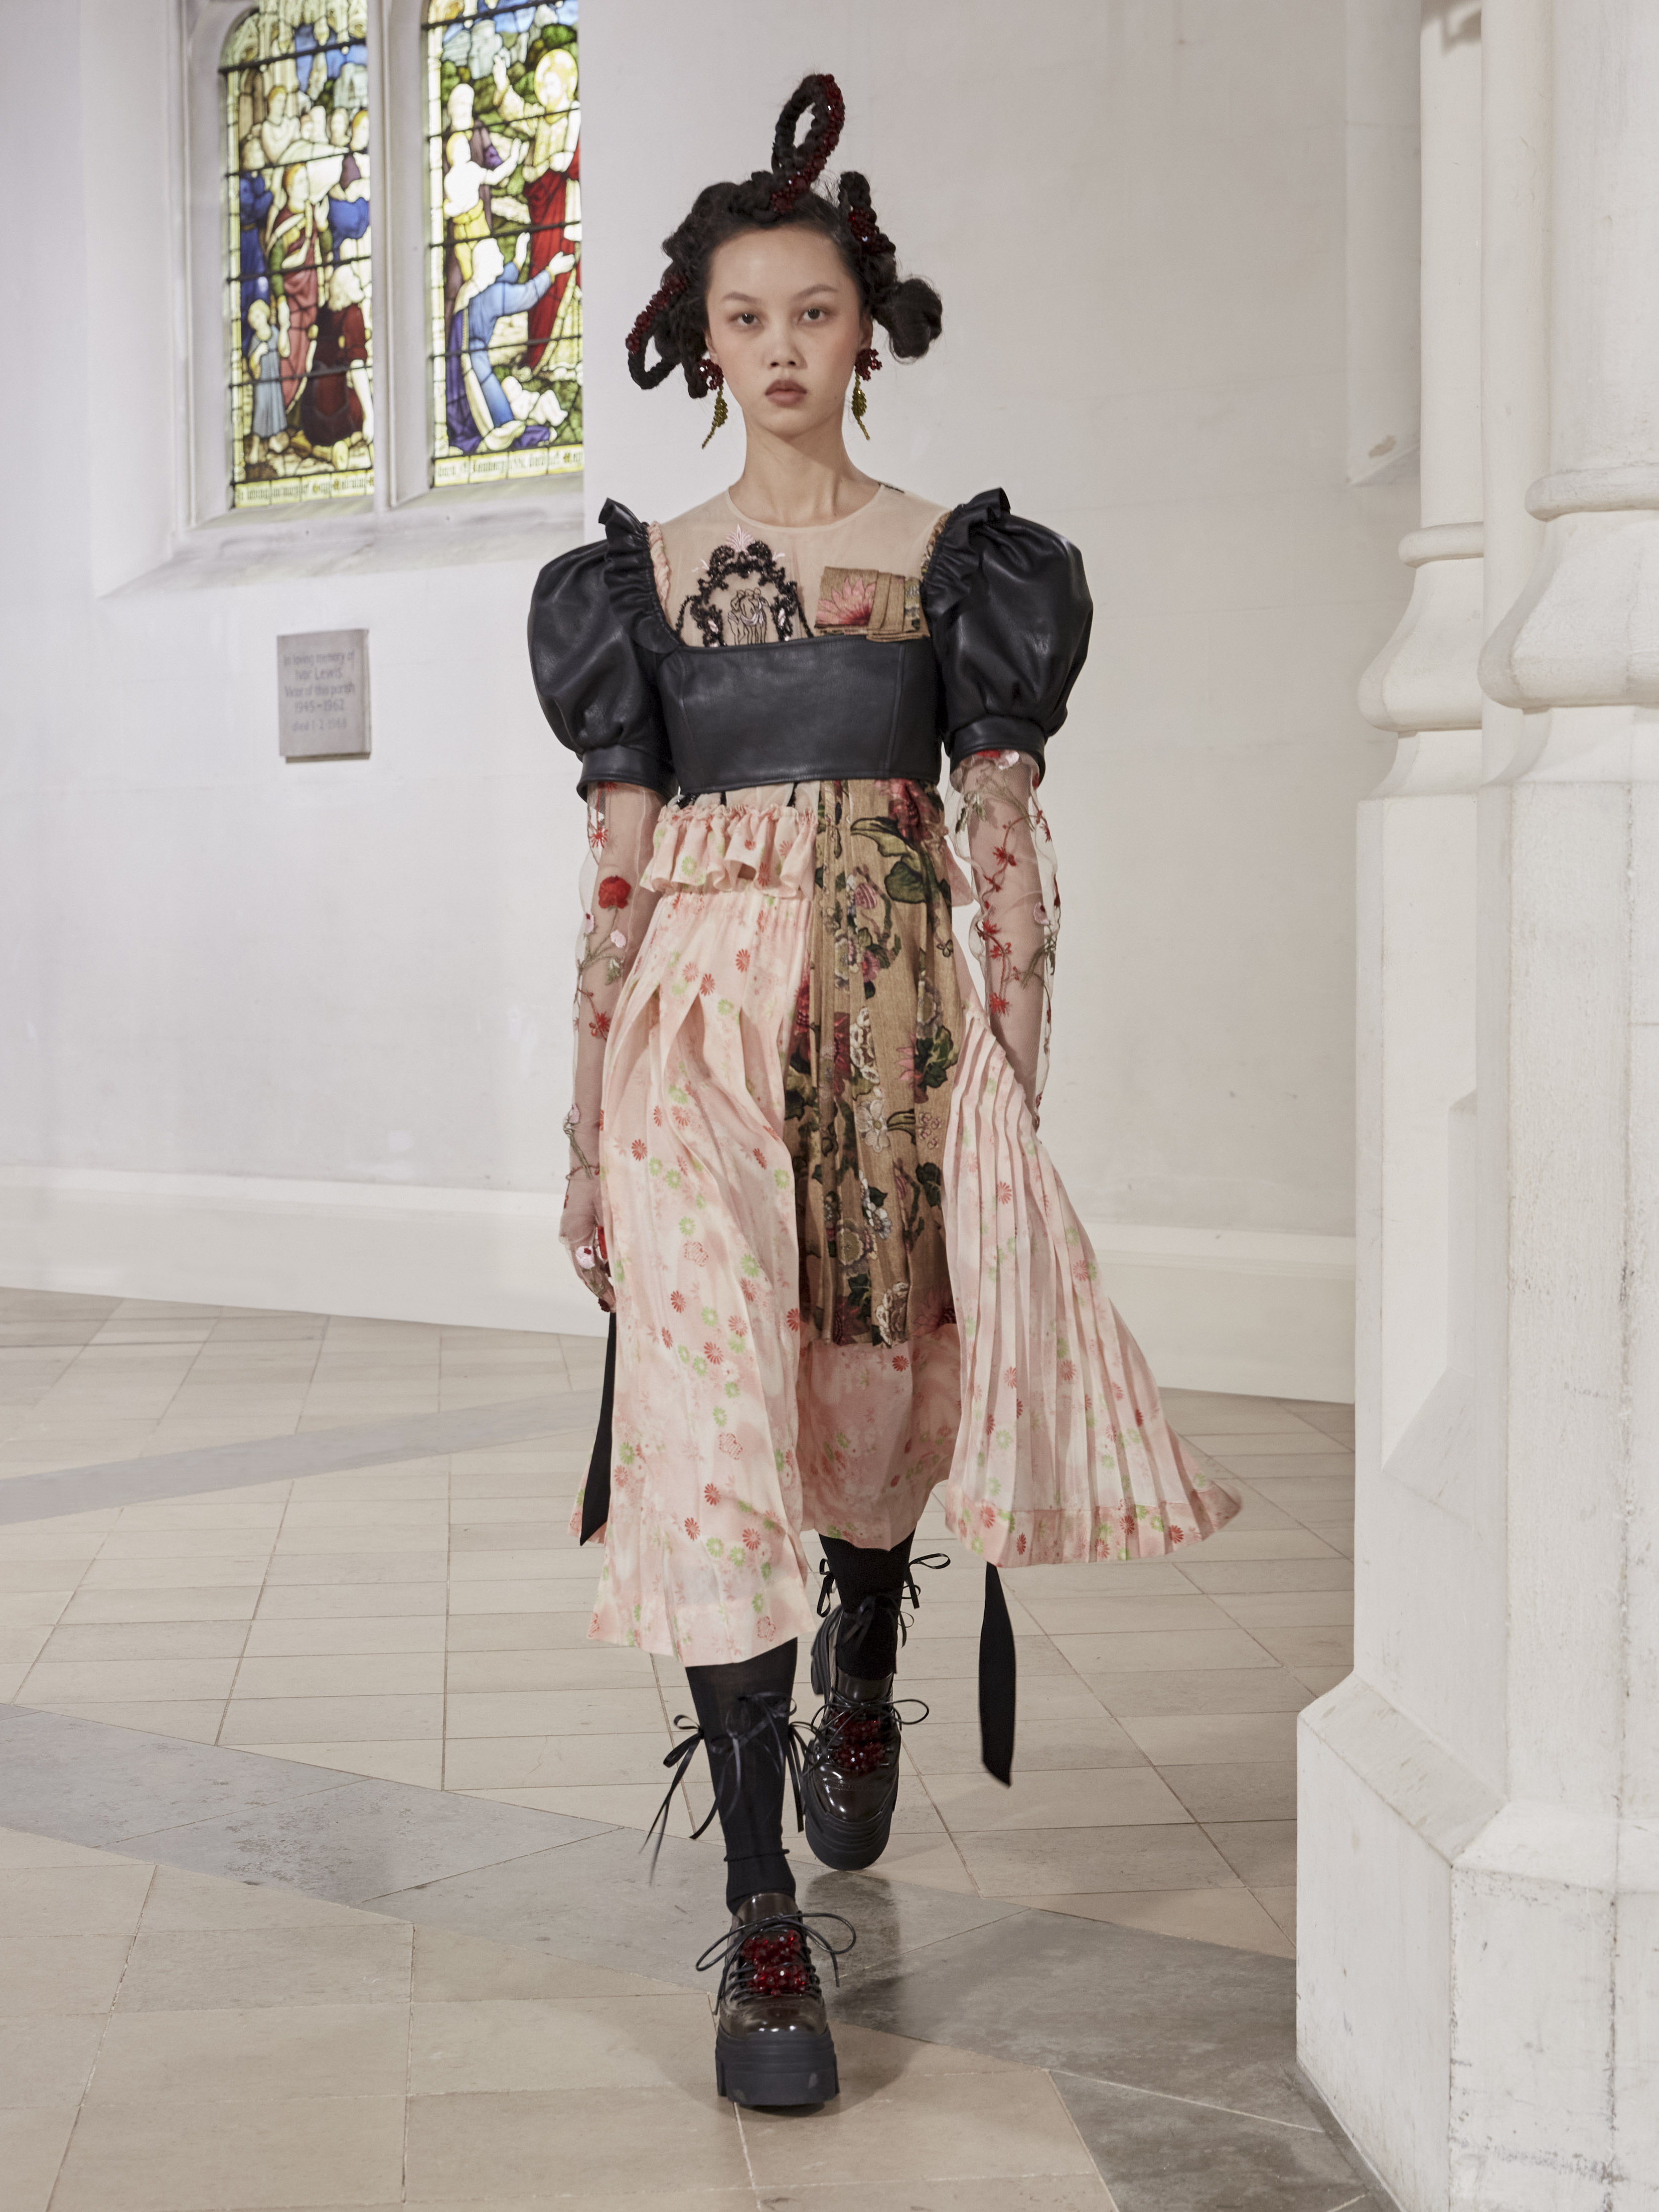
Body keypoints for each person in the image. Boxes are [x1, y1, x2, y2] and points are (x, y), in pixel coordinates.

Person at [527, 74, 1242, 2112]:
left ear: (866, 328)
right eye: (742, 316)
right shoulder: (635, 581)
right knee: (705, 1417)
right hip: (691, 1031)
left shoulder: (963, 562)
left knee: (868, 1403)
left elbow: (1001, 839)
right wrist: (582, 1123)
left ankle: (862, 1638)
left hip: (894, 1018)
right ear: (695, 337)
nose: (779, 348)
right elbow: (610, 866)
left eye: (812, 313)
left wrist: (1008, 1077)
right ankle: (761, 1908)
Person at [491, 45, 579, 372]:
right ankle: (538, 352)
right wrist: (502, 84)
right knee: (540, 268)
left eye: (553, 84)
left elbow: (575, 162)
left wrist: (561, 163)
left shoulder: (575, 115)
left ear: (566, 86)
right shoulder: (540, 119)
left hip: (565, 207)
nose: (547, 90)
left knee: (563, 270)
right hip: (541, 208)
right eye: (544, 85)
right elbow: (516, 113)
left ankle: (561, 356)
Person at [299, 261, 371, 461]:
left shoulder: (326, 310)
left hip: (311, 414)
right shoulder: (353, 313)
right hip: (333, 412)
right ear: (344, 289)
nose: (358, 281)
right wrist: (370, 416)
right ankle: (353, 439)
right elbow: (357, 366)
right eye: (353, 279)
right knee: (370, 404)